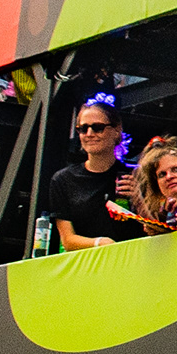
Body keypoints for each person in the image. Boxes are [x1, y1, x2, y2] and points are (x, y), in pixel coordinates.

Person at [40, 101, 132, 253]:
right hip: (86, 265)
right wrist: (99, 243)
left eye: (98, 128)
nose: (89, 134)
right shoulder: (63, 179)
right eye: (83, 129)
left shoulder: (134, 177)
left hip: (131, 261)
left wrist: (140, 199)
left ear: (117, 131)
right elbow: (68, 240)